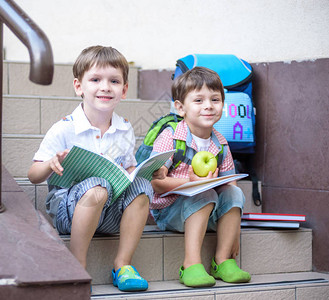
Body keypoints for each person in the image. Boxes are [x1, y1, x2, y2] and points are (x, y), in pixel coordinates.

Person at [27, 45, 159, 292]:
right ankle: (77, 265)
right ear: (79, 86)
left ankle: (123, 265)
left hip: (109, 216)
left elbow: (128, 166)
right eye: (96, 79)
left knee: (142, 186)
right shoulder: (64, 128)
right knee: (98, 186)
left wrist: (143, 170)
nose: (105, 87)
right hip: (70, 213)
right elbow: (32, 175)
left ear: (124, 89)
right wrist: (50, 163)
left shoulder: (125, 128)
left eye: (114, 81)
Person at [150, 67, 251, 287]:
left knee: (234, 191)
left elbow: (230, 185)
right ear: (180, 107)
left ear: (223, 105)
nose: (208, 106)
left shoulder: (220, 143)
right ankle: (191, 264)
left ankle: (223, 261)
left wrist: (235, 233)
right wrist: (191, 183)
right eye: (198, 100)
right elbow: (155, 183)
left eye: (215, 99)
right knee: (203, 191)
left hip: (208, 210)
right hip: (170, 211)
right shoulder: (171, 137)